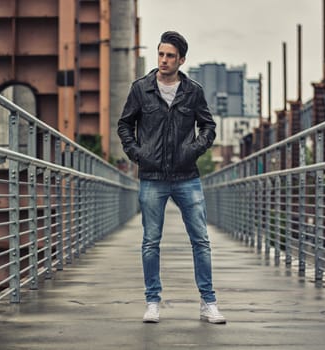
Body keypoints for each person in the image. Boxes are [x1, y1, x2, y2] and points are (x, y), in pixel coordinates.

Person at [117, 31, 226, 324]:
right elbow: (125, 125)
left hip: (186, 176)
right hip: (151, 176)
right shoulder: (141, 89)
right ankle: (152, 301)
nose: (164, 60)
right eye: (161, 54)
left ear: (181, 60)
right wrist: (137, 153)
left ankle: (208, 302)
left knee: (200, 240)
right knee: (151, 241)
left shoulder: (193, 91)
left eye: (170, 56)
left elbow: (208, 127)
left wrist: (193, 150)